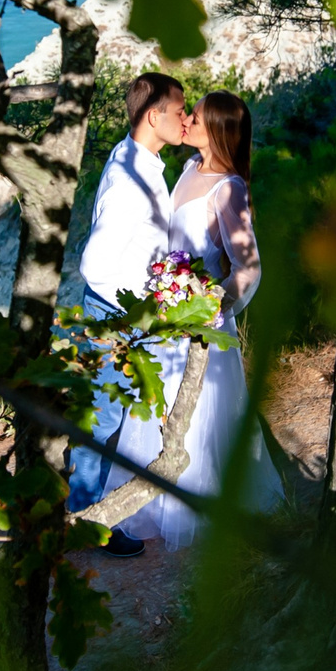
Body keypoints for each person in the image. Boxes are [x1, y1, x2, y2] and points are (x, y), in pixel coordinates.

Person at [123, 90, 281, 549]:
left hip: (200, 323)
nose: (186, 119)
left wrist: (216, 308)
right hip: (168, 317)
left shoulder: (228, 187)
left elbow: (249, 266)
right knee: (161, 412)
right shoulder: (191, 168)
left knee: (200, 418)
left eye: (196, 116)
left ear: (217, 130)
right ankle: (152, 503)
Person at [68, 72, 188, 554]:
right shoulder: (129, 180)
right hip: (115, 316)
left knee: (110, 418)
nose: (185, 119)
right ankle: (81, 522)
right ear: (154, 116)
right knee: (100, 420)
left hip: (125, 312)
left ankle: (88, 511)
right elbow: (94, 265)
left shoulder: (142, 160)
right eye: (179, 112)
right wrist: (139, 312)